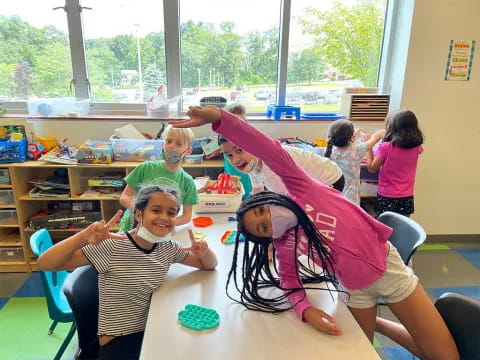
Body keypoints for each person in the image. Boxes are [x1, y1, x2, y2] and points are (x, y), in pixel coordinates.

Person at [169, 106, 459, 360]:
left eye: (262, 210)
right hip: (354, 290)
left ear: (269, 197)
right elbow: (289, 281)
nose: (268, 217)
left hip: (389, 271)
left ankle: (380, 323)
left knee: (443, 356)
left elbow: (267, 147)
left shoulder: (300, 186)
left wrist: (220, 118)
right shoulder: (286, 240)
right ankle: (378, 323)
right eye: (264, 227)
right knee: (361, 351)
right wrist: (306, 309)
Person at [37, 185, 217, 360]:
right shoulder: (113, 246)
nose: (164, 217)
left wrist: (205, 252)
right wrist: (83, 237)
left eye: (171, 213)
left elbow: (209, 265)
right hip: (120, 340)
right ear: (139, 214)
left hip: (149, 329)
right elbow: (45, 263)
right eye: (156, 210)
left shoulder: (166, 246)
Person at [218, 108, 344, 195]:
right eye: (229, 155)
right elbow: (258, 191)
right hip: (310, 183)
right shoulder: (251, 162)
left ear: (251, 144)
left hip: (330, 179)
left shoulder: (271, 166)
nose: (235, 160)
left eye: (239, 150)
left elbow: (289, 203)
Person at [118, 125, 198, 232]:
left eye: (178, 144)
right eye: (168, 141)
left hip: (161, 230)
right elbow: (124, 197)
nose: (171, 146)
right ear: (162, 144)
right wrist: (141, 213)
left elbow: (187, 216)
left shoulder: (187, 181)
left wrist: (166, 222)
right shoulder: (146, 167)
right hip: (134, 225)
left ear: (188, 151)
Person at [366, 109, 424, 217]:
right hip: (407, 196)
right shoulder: (417, 147)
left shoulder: (386, 147)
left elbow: (372, 168)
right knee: (403, 226)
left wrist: (368, 148)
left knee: (385, 227)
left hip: (387, 196)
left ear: (392, 127)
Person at [324, 119, 385, 205]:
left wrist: (355, 133)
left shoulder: (329, 150)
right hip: (351, 198)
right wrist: (382, 131)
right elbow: (375, 138)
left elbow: (348, 144)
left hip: (334, 195)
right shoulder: (357, 150)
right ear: (351, 138)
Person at [220, 103, 253, 199]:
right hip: (231, 188)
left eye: (241, 124)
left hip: (249, 187)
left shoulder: (250, 143)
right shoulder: (225, 142)